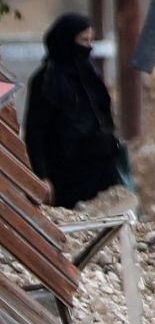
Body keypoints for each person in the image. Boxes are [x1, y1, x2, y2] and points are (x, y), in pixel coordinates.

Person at [24, 14, 122, 208]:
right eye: (84, 40)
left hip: (102, 173)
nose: (89, 46)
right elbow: (35, 133)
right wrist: (42, 176)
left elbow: (103, 115)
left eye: (90, 40)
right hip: (66, 177)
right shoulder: (46, 81)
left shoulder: (90, 75)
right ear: (67, 41)